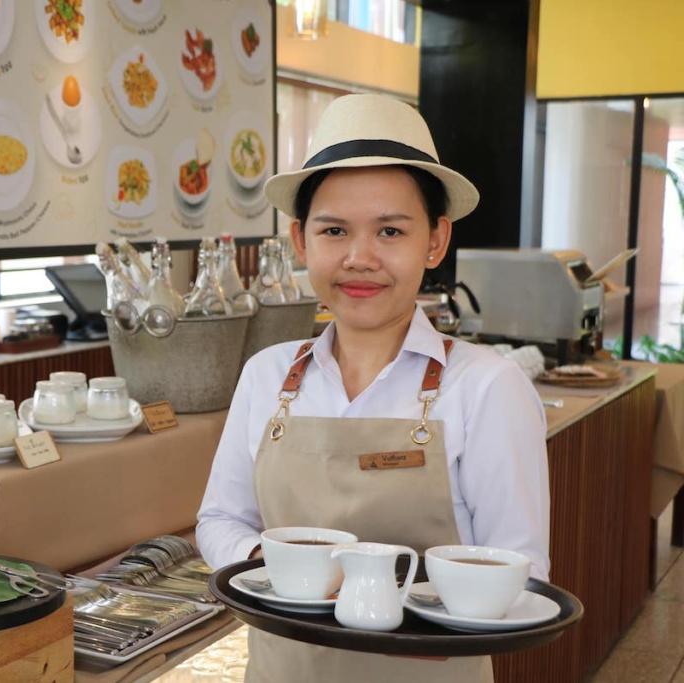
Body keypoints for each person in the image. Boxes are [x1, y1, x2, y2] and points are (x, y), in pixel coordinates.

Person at [195, 93, 550, 682]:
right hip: (284, 670)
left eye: (390, 230)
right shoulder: (267, 373)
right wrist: (283, 570)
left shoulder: (487, 385)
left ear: (435, 241)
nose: (360, 258)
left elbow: (523, 566)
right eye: (334, 230)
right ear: (301, 241)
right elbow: (220, 519)